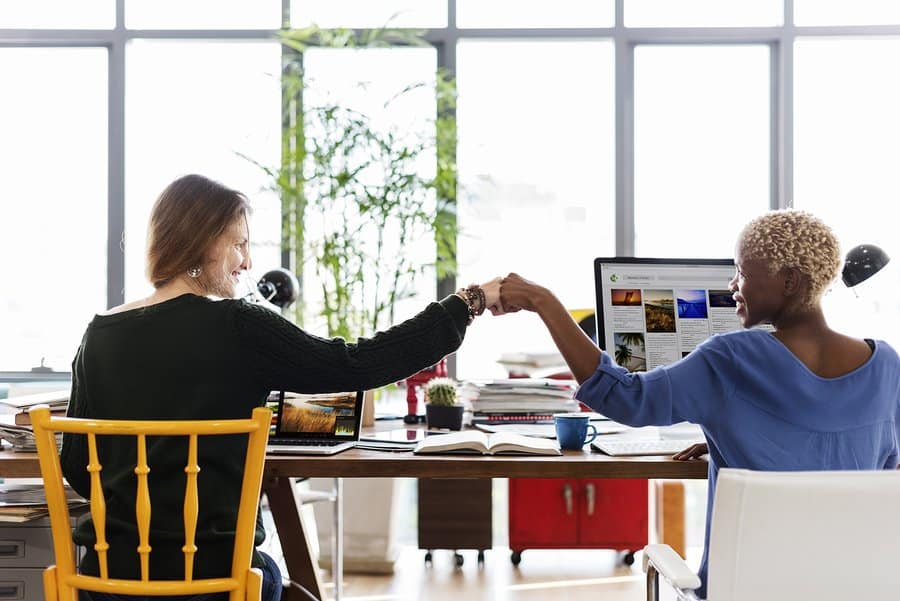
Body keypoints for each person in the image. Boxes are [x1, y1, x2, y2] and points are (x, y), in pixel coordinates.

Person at [61, 173, 501, 601]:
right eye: (238, 243)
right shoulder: (239, 324)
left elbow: (79, 466)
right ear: (200, 241)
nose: (248, 262)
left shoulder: (98, 333)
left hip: (109, 580)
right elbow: (356, 364)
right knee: (279, 581)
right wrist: (466, 304)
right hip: (214, 579)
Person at [496, 209, 900, 599]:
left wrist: (542, 301)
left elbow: (626, 397)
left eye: (742, 271)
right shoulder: (886, 366)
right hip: (853, 591)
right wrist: (743, 434)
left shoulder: (732, 357)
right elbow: (872, 467)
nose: (732, 284)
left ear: (789, 282)